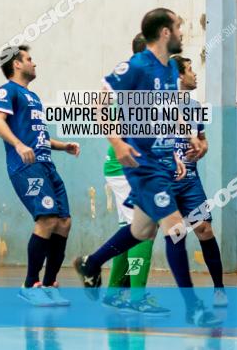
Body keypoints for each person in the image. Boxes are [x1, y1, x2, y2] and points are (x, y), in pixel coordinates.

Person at [73, 8, 219, 326]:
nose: (183, 32)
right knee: (177, 229)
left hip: (162, 162)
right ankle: (193, 307)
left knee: (141, 230)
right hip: (141, 164)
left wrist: (186, 137)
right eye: (179, 27)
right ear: (165, 32)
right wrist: (116, 140)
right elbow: (98, 104)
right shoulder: (134, 67)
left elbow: (168, 111)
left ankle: (91, 263)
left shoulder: (168, 70)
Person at [0, 45, 80, 306]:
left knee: (64, 222)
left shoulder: (34, 97)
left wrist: (63, 145)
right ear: (16, 64)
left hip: (46, 165)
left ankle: (50, 284)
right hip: (25, 167)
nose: (34, 63)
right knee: (47, 219)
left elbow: (38, 136)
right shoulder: (8, 90)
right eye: (29, 59)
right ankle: (30, 284)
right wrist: (18, 145)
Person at [101, 33, 168, 315]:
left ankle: (114, 293)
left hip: (125, 167)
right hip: (128, 168)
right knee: (144, 233)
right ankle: (137, 298)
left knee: (129, 229)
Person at [170, 54, 227, 307]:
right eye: (191, 70)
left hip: (191, 180)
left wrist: (202, 149)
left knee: (204, 228)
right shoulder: (158, 106)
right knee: (161, 234)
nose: (196, 74)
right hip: (166, 180)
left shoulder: (195, 106)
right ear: (179, 76)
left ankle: (219, 289)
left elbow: (203, 140)